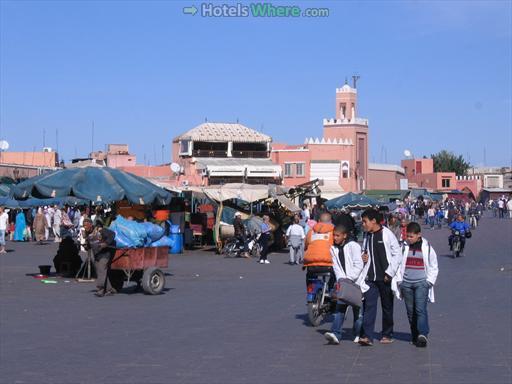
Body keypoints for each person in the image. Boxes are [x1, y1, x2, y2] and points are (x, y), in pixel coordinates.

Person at [358, 209, 402, 346]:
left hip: (385, 278)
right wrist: (363, 256)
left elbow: (397, 254)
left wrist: (390, 273)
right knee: (369, 306)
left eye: (364, 221)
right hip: (370, 278)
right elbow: (364, 252)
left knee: (387, 307)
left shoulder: (387, 234)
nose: (363, 224)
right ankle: (367, 336)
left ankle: (387, 333)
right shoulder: (366, 236)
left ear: (374, 221)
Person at [395, 222, 439, 347]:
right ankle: (414, 335)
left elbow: (434, 265)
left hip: (421, 283)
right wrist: (400, 281)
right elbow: (398, 264)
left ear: (419, 235)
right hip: (407, 284)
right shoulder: (403, 247)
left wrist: (429, 282)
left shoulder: (427, 247)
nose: (408, 239)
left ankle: (423, 334)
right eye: (407, 236)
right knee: (410, 311)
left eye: (411, 236)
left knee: (420, 309)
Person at [324, 225, 364, 345]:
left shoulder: (353, 246)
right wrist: (341, 280)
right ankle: (336, 333)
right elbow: (336, 267)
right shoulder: (333, 249)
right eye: (334, 235)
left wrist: (349, 279)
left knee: (358, 311)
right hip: (344, 283)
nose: (335, 238)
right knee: (339, 309)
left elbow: (359, 264)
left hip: (357, 283)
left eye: (337, 235)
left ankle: (357, 333)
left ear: (344, 236)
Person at [84, 219, 117, 297]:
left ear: (90, 224)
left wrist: (106, 243)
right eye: (84, 225)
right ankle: (110, 289)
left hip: (105, 254)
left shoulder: (100, 230)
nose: (85, 227)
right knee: (101, 272)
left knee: (101, 271)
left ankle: (100, 289)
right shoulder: (87, 234)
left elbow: (112, 234)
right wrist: (86, 246)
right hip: (97, 255)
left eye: (86, 225)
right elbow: (89, 244)